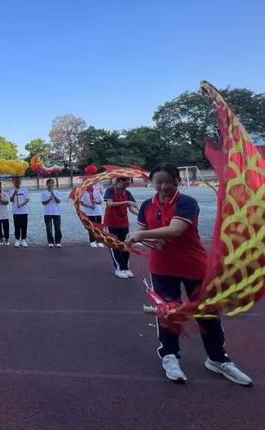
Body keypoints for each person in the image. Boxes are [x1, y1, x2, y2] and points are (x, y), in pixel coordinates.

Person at [126, 163, 252, 386]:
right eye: (158, 181)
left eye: (168, 180)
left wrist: (140, 235)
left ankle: (217, 359)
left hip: (194, 266)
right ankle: (169, 355)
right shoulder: (147, 205)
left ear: (177, 180)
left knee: (207, 312)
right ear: (151, 182)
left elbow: (176, 230)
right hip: (162, 268)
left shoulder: (187, 202)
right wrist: (149, 240)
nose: (164, 186)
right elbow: (145, 234)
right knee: (167, 313)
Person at [104, 177, 138, 278]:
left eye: (127, 186)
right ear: (119, 182)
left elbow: (132, 208)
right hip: (111, 223)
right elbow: (109, 204)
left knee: (126, 245)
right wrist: (126, 202)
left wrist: (140, 215)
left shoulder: (127, 193)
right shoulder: (110, 190)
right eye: (124, 185)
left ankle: (125, 268)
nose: (125, 188)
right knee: (114, 246)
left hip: (123, 223)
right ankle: (118, 268)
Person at [7, 177, 30, 247]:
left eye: (18, 181)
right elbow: (10, 199)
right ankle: (17, 239)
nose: (17, 182)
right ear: (13, 182)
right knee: (16, 226)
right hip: (16, 212)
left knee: (24, 226)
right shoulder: (11, 190)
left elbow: (27, 199)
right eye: (15, 181)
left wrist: (21, 204)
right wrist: (14, 193)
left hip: (24, 211)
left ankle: (23, 239)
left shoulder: (24, 189)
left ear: (20, 181)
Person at [41, 179, 62, 248]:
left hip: (56, 213)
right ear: (46, 184)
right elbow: (43, 202)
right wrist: (49, 199)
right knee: (49, 228)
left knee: (57, 228)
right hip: (47, 213)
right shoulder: (44, 193)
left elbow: (58, 201)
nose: (51, 185)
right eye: (49, 183)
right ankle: (50, 242)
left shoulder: (57, 192)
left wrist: (53, 194)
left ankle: (58, 242)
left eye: (52, 183)